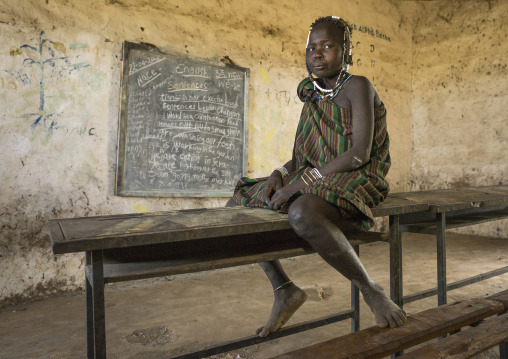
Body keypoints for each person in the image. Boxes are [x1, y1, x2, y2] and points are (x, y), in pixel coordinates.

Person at [227, 16, 406, 337]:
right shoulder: (312, 96)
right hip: (318, 177)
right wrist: (279, 175)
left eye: (328, 46)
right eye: (312, 47)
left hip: (359, 175)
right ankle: (284, 289)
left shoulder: (358, 86)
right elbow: (301, 156)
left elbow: (359, 153)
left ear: (347, 52)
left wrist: (297, 184)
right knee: (237, 202)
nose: (317, 54)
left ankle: (370, 289)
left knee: (301, 210)